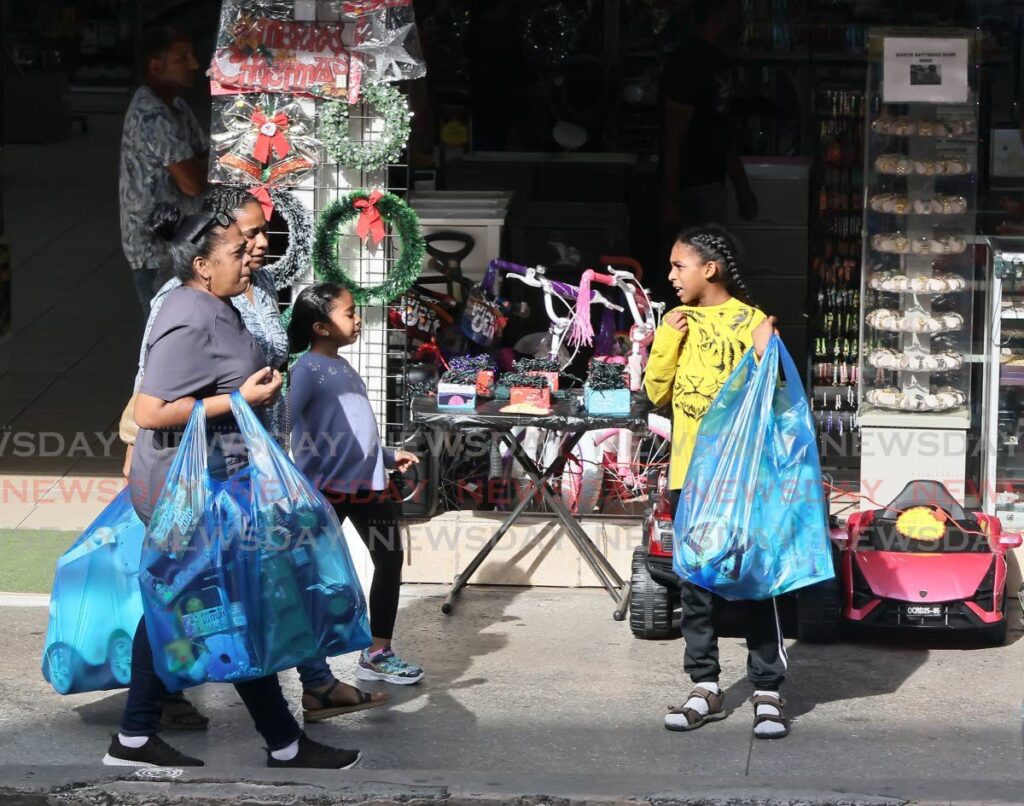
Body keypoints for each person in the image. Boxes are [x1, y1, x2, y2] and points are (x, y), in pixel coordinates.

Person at [107, 209, 361, 769]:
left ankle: (134, 738)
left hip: (218, 482)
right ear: (202, 264)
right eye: (237, 247)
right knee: (234, 604)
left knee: (207, 603)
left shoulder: (220, 302)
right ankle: (283, 742)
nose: (251, 253)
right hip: (188, 488)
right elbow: (151, 410)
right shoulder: (184, 314)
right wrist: (241, 401)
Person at [644, 224, 789, 740]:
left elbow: (772, 399)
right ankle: (704, 684)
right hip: (690, 476)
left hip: (744, 478)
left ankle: (768, 688)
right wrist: (667, 339)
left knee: (753, 582)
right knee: (696, 585)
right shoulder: (676, 321)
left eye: (678, 266)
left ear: (710, 269)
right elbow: (656, 392)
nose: (670, 275)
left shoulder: (754, 322)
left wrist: (761, 351)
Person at [287, 283, 425, 695]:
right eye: (349, 313)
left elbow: (353, 431)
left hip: (370, 486)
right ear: (320, 327)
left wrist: (385, 455)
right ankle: (309, 660)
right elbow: (285, 424)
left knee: (390, 560)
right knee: (313, 572)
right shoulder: (308, 370)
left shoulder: (344, 367)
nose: (358, 319)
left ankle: (377, 654)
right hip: (328, 491)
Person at [655, 0, 758, 305]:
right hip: (690, 185)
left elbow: (721, 129)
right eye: (737, 11)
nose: (742, 18)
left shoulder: (715, 62)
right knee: (691, 278)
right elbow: (674, 133)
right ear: (720, 13)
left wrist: (740, 185)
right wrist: (670, 197)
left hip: (709, 182)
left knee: (712, 276)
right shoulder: (689, 61)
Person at [119, 25, 208, 313]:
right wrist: (204, 166)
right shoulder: (151, 112)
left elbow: (209, 157)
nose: (194, 64)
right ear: (156, 66)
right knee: (165, 336)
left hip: (182, 245)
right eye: (182, 57)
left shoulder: (177, 106)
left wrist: (205, 165)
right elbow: (192, 182)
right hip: (156, 252)